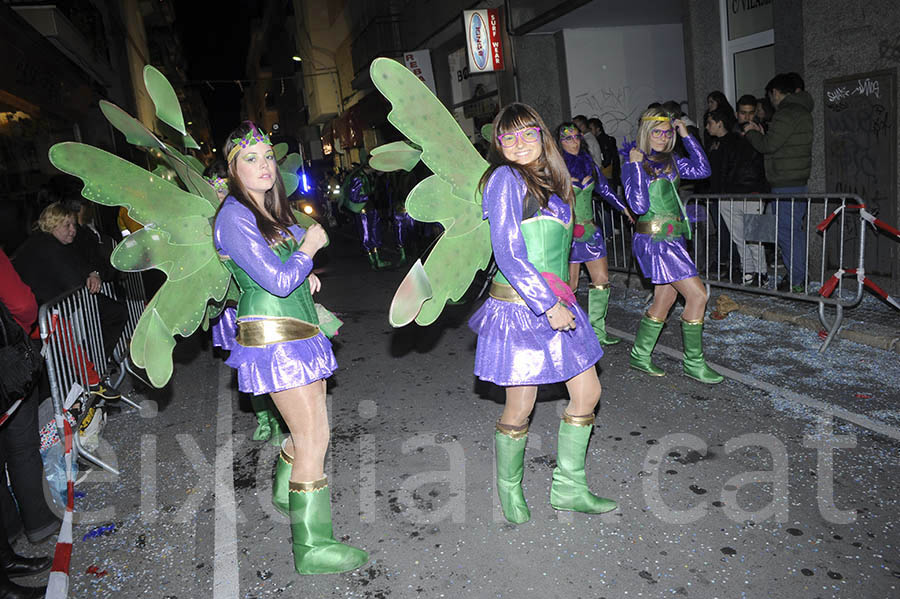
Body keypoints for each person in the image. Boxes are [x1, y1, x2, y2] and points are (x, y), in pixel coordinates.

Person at [213, 122, 367, 575]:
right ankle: (313, 548)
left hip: (294, 326)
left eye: (266, 156)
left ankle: (286, 492)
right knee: (314, 436)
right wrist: (310, 250)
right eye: (250, 158)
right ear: (233, 169)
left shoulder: (264, 210)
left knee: (311, 429)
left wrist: (304, 270)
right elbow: (278, 280)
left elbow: (280, 269)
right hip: (275, 336)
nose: (262, 165)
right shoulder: (235, 216)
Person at [469, 103, 617, 525]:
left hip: (557, 303)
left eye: (526, 133)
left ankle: (569, 488)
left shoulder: (554, 180)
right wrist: (547, 303)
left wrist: (563, 296)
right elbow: (509, 253)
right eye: (507, 136)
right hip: (522, 308)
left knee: (587, 394)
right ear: (498, 145)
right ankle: (509, 488)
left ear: (541, 136)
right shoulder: (503, 179)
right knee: (520, 406)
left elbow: (559, 249)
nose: (518, 143)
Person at [623, 107, 723, 384]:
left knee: (664, 299)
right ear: (646, 132)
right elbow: (639, 205)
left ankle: (640, 355)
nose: (663, 137)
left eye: (667, 132)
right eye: (657, 131)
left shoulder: (673, 161)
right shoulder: (635, 162)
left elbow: (703, 169)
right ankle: (694, 363)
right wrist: (634, 166)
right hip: (655, 241)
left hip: (674, 238)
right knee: (698, 296)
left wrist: (687, 135)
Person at [13, 203, 125, 398]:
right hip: (41, 317)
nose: (73, 231)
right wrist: (89, 275)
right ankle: (88, 377)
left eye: (73, 225)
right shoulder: (46, 246)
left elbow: (78, 266)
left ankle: (90, 372)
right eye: (67, 226)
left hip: (45, 315)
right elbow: (71, 278)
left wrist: (91, 272)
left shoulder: (50, 243)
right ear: (52, 224)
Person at [0, 249, 62, 548]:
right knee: (22, 446)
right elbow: (23, 304)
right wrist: (20, 333)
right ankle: (39, 522)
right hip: (5, 366)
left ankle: (8, 533)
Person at [556, 121, 631, 345]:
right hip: (568, 235)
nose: (574, 142)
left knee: (601, 281)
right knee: (570, 286)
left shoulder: (589, 165)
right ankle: (568, 333)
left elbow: (606, 190)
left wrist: (625, 208)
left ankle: (597, 330)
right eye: (567, 138)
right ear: (559, 143)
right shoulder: (556, 169)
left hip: (590, 231)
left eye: (577, 137)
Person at [744, 73, 814, 293]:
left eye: (770, 95)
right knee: (791, 231)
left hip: (786, 182)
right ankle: (797, 276)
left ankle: (797, 281)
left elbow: (769, 145)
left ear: (775, 92)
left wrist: (752, 134)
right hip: (793, 180)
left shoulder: (787, 113)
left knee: (787, 231)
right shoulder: (801, 112)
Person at [704, 109, 769, 285]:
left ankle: (760, 272)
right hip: (733, 194)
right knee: (740, 237)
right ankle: (749, 271)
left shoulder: (755, 144)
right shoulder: (725, 143)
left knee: (754, 237)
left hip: (749, 194)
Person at [587, 118, 621, 190]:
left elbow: (607, 158)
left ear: (598, 129)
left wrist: (599, 167)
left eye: (591, 129)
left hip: (606, 174)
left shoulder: (603, 140)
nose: (589, 131)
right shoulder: (605, 139)